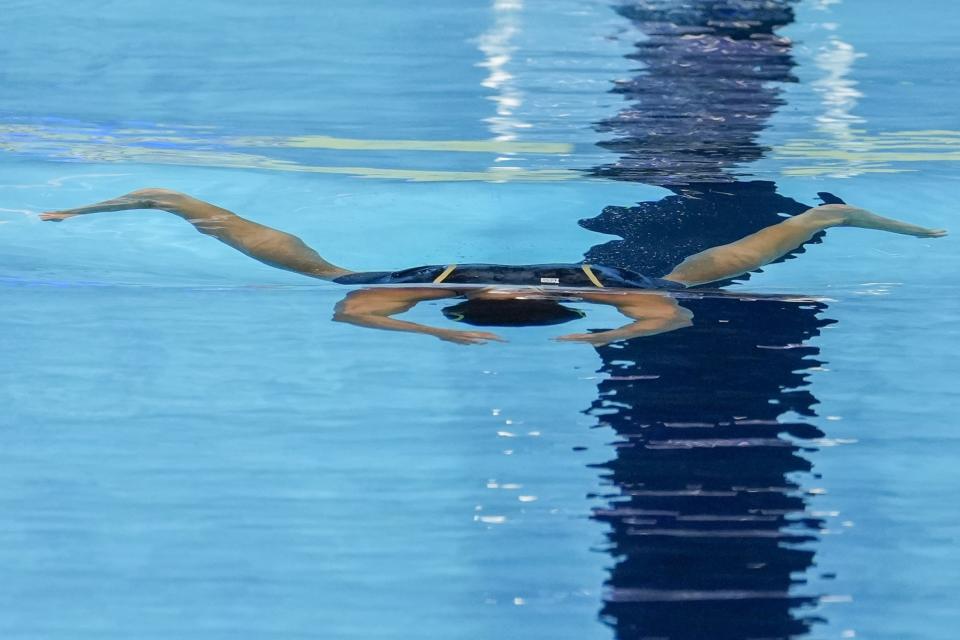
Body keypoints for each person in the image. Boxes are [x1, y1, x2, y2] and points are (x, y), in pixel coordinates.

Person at [40, 188, 946, 345]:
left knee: (292, 261)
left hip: (440, 280)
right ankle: (852, 213)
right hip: (614, 294)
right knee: (790, 232)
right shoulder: (636, 294)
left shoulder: (423, 288)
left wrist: (437, 334)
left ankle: (146, 198)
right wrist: (592, 338)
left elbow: (351, 312)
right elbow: (669, 317)